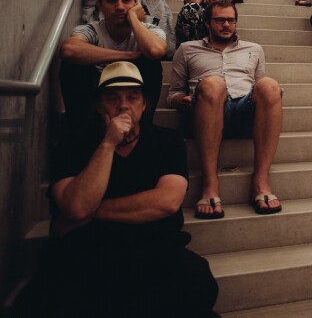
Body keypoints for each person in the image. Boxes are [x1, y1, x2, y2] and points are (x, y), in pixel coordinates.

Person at [13, 62, 218, 317]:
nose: (123, 106)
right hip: (89, 249)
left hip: (152, 247)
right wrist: (108, 144)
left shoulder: (167, 141)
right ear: (99, 106)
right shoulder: (71, 145)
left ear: (144, 105)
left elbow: (167, 201)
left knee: (197, 282)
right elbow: (76, 205)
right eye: (113, 98)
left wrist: (93, 212)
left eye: (132, 98)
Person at [167, 1, 283, 219]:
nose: (226, 25)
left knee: (270, 85)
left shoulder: (254, 49)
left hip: (243, 112)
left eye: (231, 20)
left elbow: (261, 92)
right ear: (207, 23)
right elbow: (171, 96)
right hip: (205, 110)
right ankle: (210, 184)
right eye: (220, 20)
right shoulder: (187, 49)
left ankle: (261, 180)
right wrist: (185, 99)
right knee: (213, 83)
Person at [61, 0, 167, 128]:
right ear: (100, 5)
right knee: (72, 65)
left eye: (126, 0)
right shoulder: (91, 30)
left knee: (151, 62)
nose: (120, 7)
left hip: (134, 93)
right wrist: (128, 56)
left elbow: (155, 51)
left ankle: (142, 131)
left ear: (135, 4)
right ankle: (81, 134)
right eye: (112, 0)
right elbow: (68, 50)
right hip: (98, 95)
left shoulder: (151, 30)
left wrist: (133, 18)